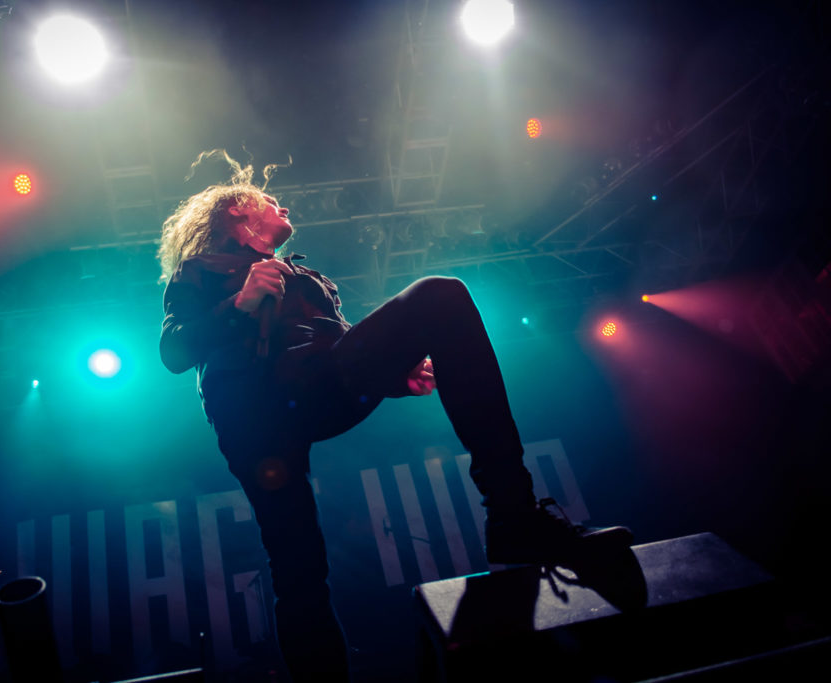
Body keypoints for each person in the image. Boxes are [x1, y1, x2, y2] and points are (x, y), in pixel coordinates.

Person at [158, 155, 630, 682]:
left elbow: (333, 343)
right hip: (254, 416)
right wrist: (240, 304)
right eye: (268, 200)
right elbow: (174, 351)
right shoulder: (200, 271)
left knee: (441, 297)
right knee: (298, 568)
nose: (281, 205)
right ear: (237, 213)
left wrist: (395, 377)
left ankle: (513, 516)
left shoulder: (305, 275)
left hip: (319, 385)